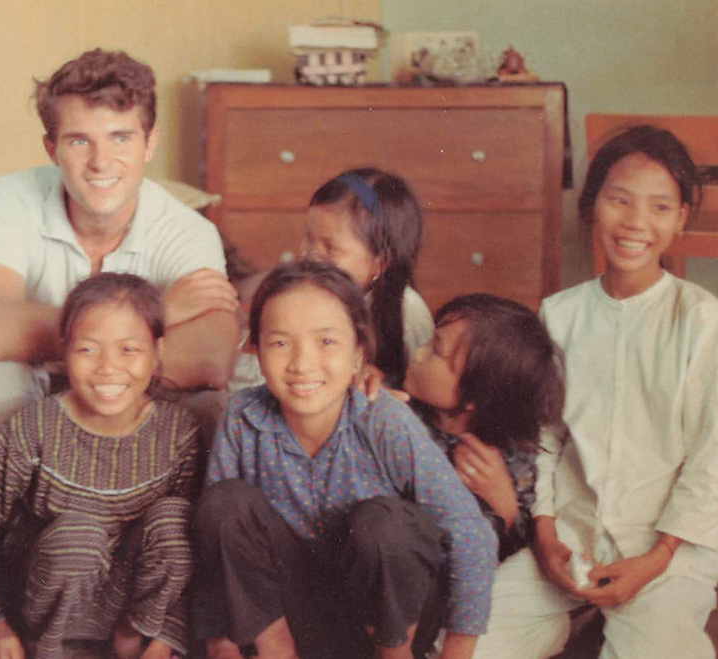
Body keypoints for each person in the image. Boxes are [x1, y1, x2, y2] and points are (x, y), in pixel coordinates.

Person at [471, 125, 718, 659]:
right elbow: (544, 438)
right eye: (619, 200)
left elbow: (711, 460)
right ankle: (570, 625)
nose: (634, 223)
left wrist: (657, 559)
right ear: (591, 207)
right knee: (468, 640)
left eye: (659, 207)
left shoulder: (702, 321)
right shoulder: (560, 314)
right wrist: (546, 535)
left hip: (665, 555)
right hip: (568, 544)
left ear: (679, 221)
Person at [194, 261, 496, 659]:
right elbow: (217, 542)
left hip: (386, 621)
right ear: (255, 349)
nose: (302, 363)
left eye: (327, 342)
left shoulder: (383, 419)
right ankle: (276, 652)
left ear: (359, 354)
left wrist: (457, 652)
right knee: (223, 503)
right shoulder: (243, 416)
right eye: (280, 342)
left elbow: (468, 530)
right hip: (289, 615)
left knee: (384, 524)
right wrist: (222, 645)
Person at [0, 47, 238, 465]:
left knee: (212, 409)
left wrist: (95, 361)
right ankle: (18, 519)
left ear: (149, 143)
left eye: (120, 137)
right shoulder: (5, 198)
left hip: (126, 386)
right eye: (79, 141)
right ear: (51, 149)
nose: (100, 162)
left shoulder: (188, 230)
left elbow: (213, 360)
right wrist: (154, 313)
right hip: (41, 375)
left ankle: (142, 512)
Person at [0, 272, 201, 659]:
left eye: (129, 349)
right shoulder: (37, 427)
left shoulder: (177, 430)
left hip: (131, 609)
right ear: (64, 351)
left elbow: (186, 551)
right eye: (87, 350)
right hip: (53, 594)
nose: (108, 368)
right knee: (79, 535)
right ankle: (56, 650)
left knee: (176, 520)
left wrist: (162, 639)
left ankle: (130, 641)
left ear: (157, 351)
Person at [404, 293, 565, 561]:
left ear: (475, 396)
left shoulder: (511, 457)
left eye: (436, 350)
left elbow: (511, 548)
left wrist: (505, 509)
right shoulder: (395, 405)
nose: (419, 352)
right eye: (432, 337)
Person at [301, 168, 432, 388]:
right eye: (308, 238)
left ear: (380, 262)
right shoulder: (306, 295)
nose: (310, 257)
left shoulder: (408, 315)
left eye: (330, 248)